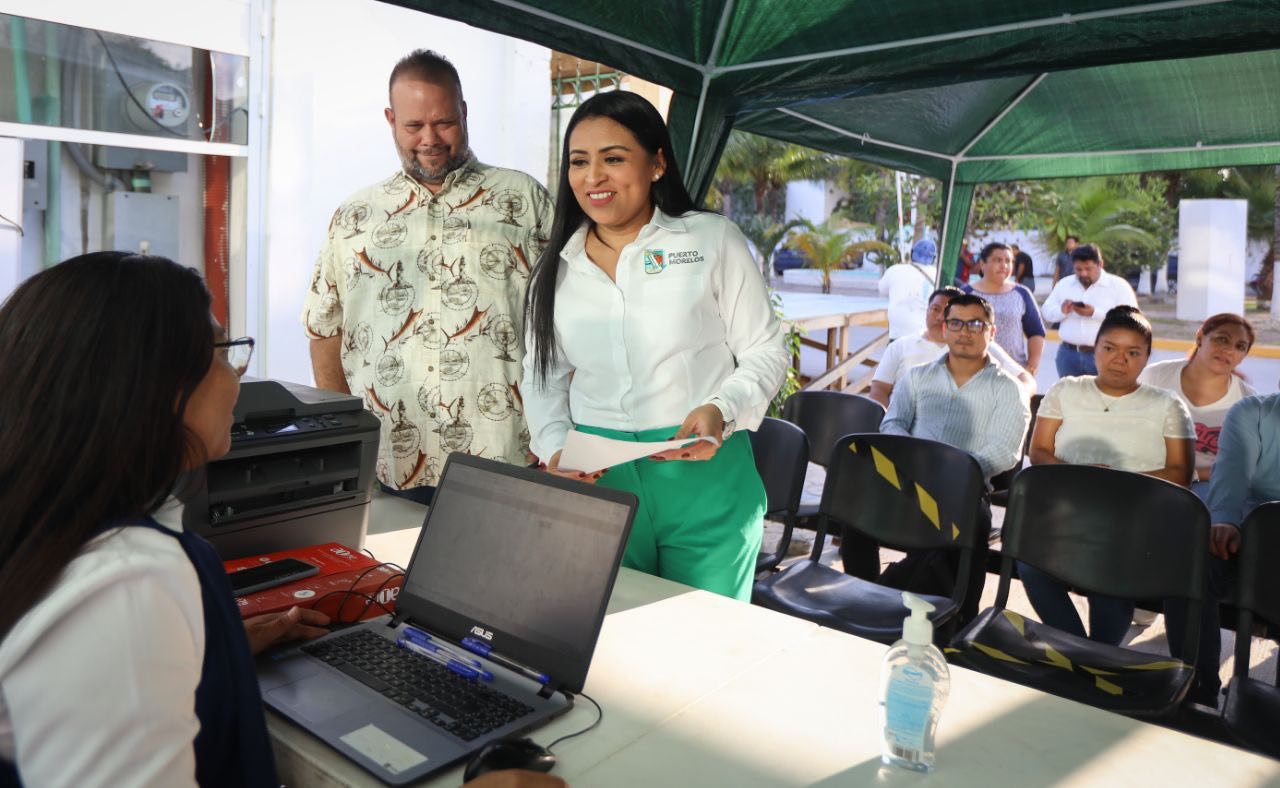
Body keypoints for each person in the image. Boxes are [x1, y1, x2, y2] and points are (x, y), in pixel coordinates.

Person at [0, 253, 569, 787]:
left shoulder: (51, 525)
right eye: (225, 353)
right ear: (156, 390)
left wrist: (210, 652)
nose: (236, 379)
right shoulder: (126, 586)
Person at [521, 90, 789, 602]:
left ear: (658, 162)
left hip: (704, 468)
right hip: (598, 478)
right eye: (579, 162)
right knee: (609, 647)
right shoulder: (555, 268)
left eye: (613, 159)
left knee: (702, 645)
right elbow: (542, 377)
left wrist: (722, 406)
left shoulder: (710, 240)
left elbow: (764, 349)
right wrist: (556, 447)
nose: (593, 177)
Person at [302, 49, 553, 505]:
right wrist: (344, 432)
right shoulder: (355, 215)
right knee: (391, 577)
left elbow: (565, 317)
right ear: (390, 119)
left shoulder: (525, 200)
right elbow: (324, 328)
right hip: (387, 458)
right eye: (414, 125)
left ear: (464, 112)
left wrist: (555, 427)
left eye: (444, 123)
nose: (429, 139)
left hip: (505, 451)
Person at [1019, 306, 1194, 645]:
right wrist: (1081, 476)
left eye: (1133, 352)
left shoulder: (1167, 404)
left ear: (1146, 357)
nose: (1119, 359)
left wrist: (1117, 484)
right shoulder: (1067, 390)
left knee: (1111, 579)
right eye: (1110, 348)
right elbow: (1039, 452)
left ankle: (1098, 652)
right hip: (1068, 513)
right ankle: (1081, 651)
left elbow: (1180, 473)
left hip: (1135, 522)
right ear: (1095, 348)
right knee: (1031, 564)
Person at [850, 293, 1030, 622]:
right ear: (944, 329)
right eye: (957, 323)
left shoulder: (1007, 390)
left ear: (992, 332)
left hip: (965, 491)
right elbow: (893, 424)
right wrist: (915, 465)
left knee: (965, 527)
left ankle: (949, 613)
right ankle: (864, 593)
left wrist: (952, 475)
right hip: (907, 482)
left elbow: (1005, 451)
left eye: (976, 324)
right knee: (853, 507)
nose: (965, 331)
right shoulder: (917, 377)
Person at [1165, 389, 1279, 708]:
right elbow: (1231, 473)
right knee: (1193, 564)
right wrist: (1225, 519)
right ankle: (1197, 688)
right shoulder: (1253, 411)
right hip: (1253, 527)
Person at [1138, 313, 1257, 498]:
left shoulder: (1247, 400)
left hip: (1208, 486)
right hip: (1148, 477)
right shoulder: (1156, 376)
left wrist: (1188, 476)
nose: (1229, 350)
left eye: (1240, 347)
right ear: (1200, 337)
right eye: (1222, 339)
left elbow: (1241, 467)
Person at [868, 286, 1035, 408]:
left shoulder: (979, 346)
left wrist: (1012, 402)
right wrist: (887, 422)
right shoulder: (900, 347)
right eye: (935, 309)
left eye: (948, 313)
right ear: (926, 311)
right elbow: (879, 390)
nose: (940, 317)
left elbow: (1027, 381)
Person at [1040, 243, 1138, 378]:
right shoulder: (1064, 284)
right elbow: (1046, 311)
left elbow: (1132, 320)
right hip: (1068, 355)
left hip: (1106, 356)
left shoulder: (1118, 286)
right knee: (1069, 398)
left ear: (1100, 265)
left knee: (1104, 398)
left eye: (1088, 268)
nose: (1083, 274)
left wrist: (1094, 313)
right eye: (1078, 269)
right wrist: (1062, 311)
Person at [962, 242, 1046, 374]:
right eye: (997, 260)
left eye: (1008, 261)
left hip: (1014, 371)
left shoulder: (1022, 293)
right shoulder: (966, 293)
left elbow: (1036, 332)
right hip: (973, 371)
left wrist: (1031, 366)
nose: (1004, 266)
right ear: (982, 264)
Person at [878, 238, 938, 340]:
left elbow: (882, 290)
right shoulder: (937, 273)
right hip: (924, 335)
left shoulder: (895, 269)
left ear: (912, 253)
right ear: (933, 258)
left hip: (897, 335)